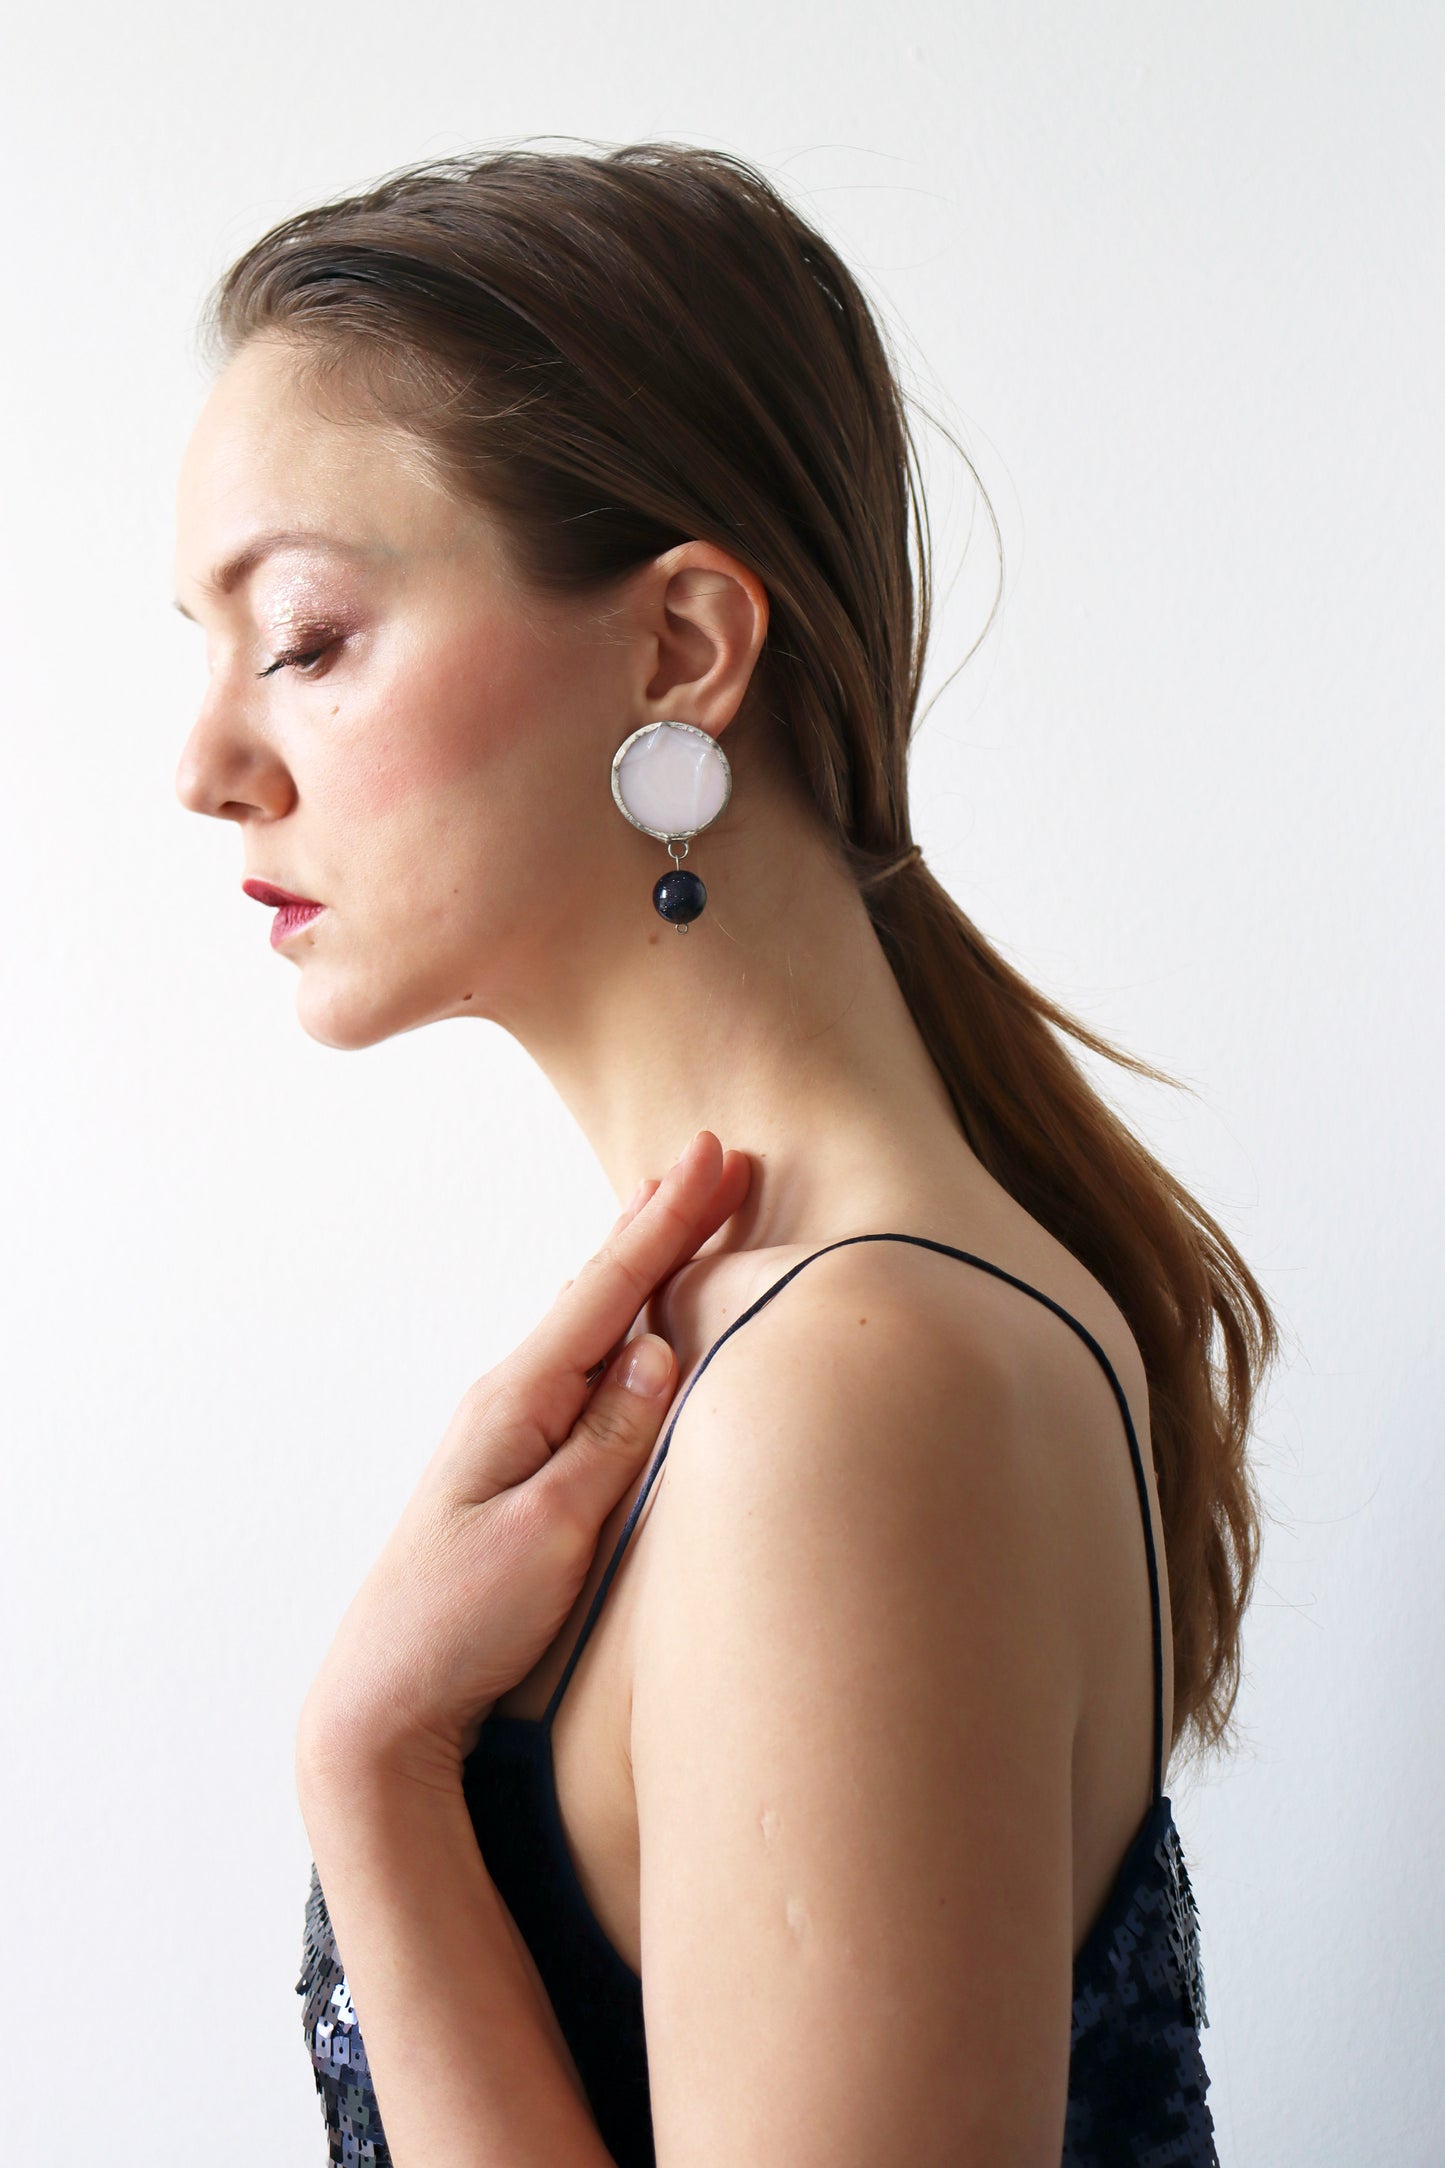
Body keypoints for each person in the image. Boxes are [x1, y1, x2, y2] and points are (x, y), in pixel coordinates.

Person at [171, 140, 1276, 2167]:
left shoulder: (853, 1389)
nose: (205, 766)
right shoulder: (815, 1332)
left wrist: (379, 1772)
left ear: (680, 647)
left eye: (307, 637)